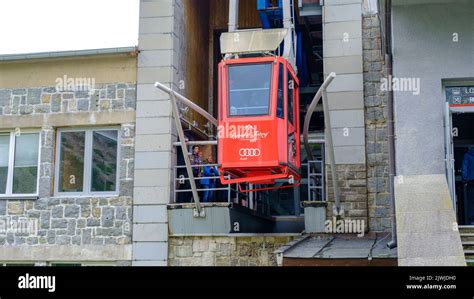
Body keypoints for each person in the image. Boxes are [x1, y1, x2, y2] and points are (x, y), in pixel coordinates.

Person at [462, 147, 474, 224]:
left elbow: (464, 168)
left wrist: (464, 179)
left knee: (471, 201)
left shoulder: (467, 155)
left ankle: (472, 220)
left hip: (471, 181)